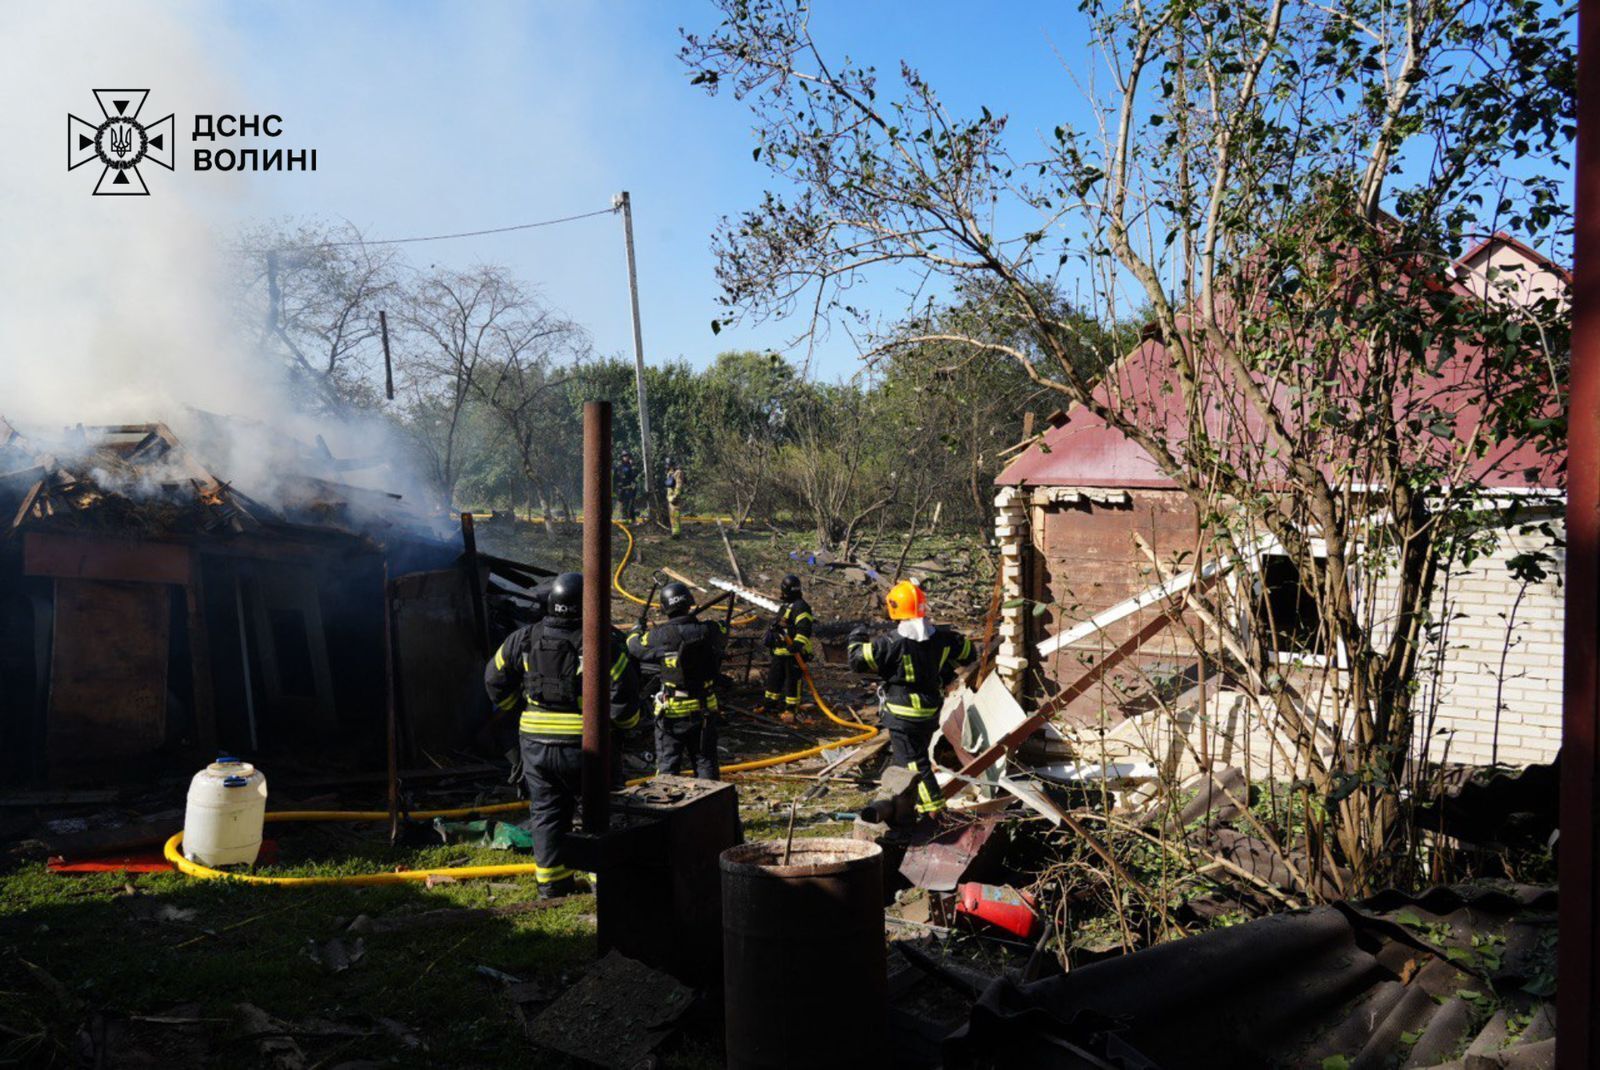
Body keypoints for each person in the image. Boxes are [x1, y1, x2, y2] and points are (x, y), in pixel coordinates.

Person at [484, 572, 639, 897]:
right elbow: (624, 699)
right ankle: (602, 884)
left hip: (536, 747)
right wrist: (622, 730)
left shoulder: (523, 638)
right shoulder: (601, 644)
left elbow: (493, 678)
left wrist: (518, 709)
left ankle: (552, 885)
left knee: (546, 813)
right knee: (597, 811)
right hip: (587, 746)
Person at [848, 580, 975, 817]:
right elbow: (969, 653)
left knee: (916, 763)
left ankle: (935, 812)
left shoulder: (891, 643)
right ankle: (903, 806)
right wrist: (944, 669)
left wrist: (857, 635)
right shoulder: (942, 638)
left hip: (903, 714)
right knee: (905, 759)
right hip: (929, 711)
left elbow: (857, 660)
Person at [628, 580, 727, 780]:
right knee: (705, 763)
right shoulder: (708, 630)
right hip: (704, 710)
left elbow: (635, 647)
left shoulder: (659, 635)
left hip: (672, 714)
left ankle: (670, 809)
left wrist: (636, 630)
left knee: (668, 768)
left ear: (665, 608)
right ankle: (708, 809)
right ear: (690, 603)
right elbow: (723, 629)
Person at [762, 574, 815, 719]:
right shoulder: (786, 606)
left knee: (792, 682)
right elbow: (780, 624)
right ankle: (769, 705)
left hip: (793, 654)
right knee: (774, 680)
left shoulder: (800, 607)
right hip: (780, 651)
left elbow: (804, 628)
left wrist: (797, 644)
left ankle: (791, 710)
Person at [615, 449, 639, 524]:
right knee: (623, 505)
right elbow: (616, 478)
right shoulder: (619, 467)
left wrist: (632, 466)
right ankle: (624, 520)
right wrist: (617, 487)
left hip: (630, 489)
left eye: (627, 456)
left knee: (631, 505)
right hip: (622, 489)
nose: (626, 457)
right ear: (622, 457)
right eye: (624, 456)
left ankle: (633, 520)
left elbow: (635, 475)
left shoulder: (631, 466)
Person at [664, 458, 686, 539]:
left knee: (676, 516)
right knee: (672, 516)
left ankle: (677, 534)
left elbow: (678, 485)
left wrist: (676, 496)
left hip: (675, 499)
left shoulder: (678, 473)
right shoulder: (670, 473)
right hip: (670, 498)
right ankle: (674, 532)